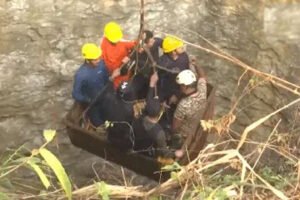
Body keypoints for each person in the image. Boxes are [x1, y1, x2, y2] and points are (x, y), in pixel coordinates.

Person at [132, 72, 174, 161]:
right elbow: (164, 151)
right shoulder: (159, 133)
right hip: (147, 152)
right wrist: (175, 153)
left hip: (136, 145)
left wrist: (151, 85)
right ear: (159, 113)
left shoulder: (138, 118)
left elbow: (148, 102)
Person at [172, 66, 207, 157]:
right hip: (197, 124)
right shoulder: (202, 91)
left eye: (180, 85)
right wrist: (196, 65)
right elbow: (202, 76)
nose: (180, 87)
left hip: (183, 136)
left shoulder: (183, 105)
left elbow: (175, 127)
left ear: (185, 86)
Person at [72, 43, 109, 126]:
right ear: (88, 60)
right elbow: (76, 94)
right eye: (95, 60)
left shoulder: (101, 64)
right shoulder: (81, 75)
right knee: (98, 123)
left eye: (98, 58)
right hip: (93, 103)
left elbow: (106, 77)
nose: (98, 61)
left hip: (104, 96)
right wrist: (88, 100)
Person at [100, 21, 137, 89]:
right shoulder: (105, 46)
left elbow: (132, 45)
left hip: (122, 69)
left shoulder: (117, 41)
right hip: (115, 72)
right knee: (119, 87)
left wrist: (136, 44)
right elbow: (107, 62)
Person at [157, 35, 190, 104]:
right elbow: (160, 83)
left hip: (180, 88)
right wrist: (167, 97)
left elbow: (187, 72)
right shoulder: (162, 63)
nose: (182, 47)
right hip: (168, 91)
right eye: (179, 47)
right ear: (173, 52)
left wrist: (178, 94)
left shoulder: (184, 56)